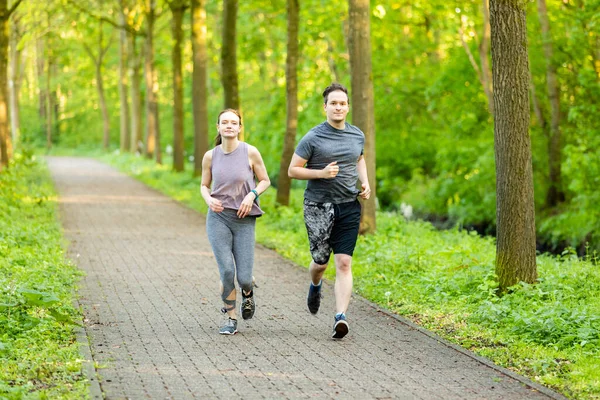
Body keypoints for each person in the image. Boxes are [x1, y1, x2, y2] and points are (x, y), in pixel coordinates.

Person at [288, 83, 371, 339]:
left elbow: (358, 158)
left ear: (348, 107)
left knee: (344, 262)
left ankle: (340, 318)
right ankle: (315, 284)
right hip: (318, 206)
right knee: (321, 264)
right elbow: (293, 170)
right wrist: (321, 173)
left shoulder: (357, 135)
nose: (338, 107)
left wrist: (365, 181)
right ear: (325, 107)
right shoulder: (313, 137)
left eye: (342, 103)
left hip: (348, 205)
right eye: (333, 103)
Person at [201, 109, 270, 335]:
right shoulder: (210, 156)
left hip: (243, 219)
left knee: (244, 278)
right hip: (218, 217)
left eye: (234, 123)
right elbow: (204, 185)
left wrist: (251, 195)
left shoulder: (250, 152)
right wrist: (208, 199)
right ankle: (231, 318)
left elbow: (265, 181)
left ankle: (248, 294)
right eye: (224, 123)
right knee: (227, 271)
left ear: (240, 127)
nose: (229, 126)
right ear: (218, 127)